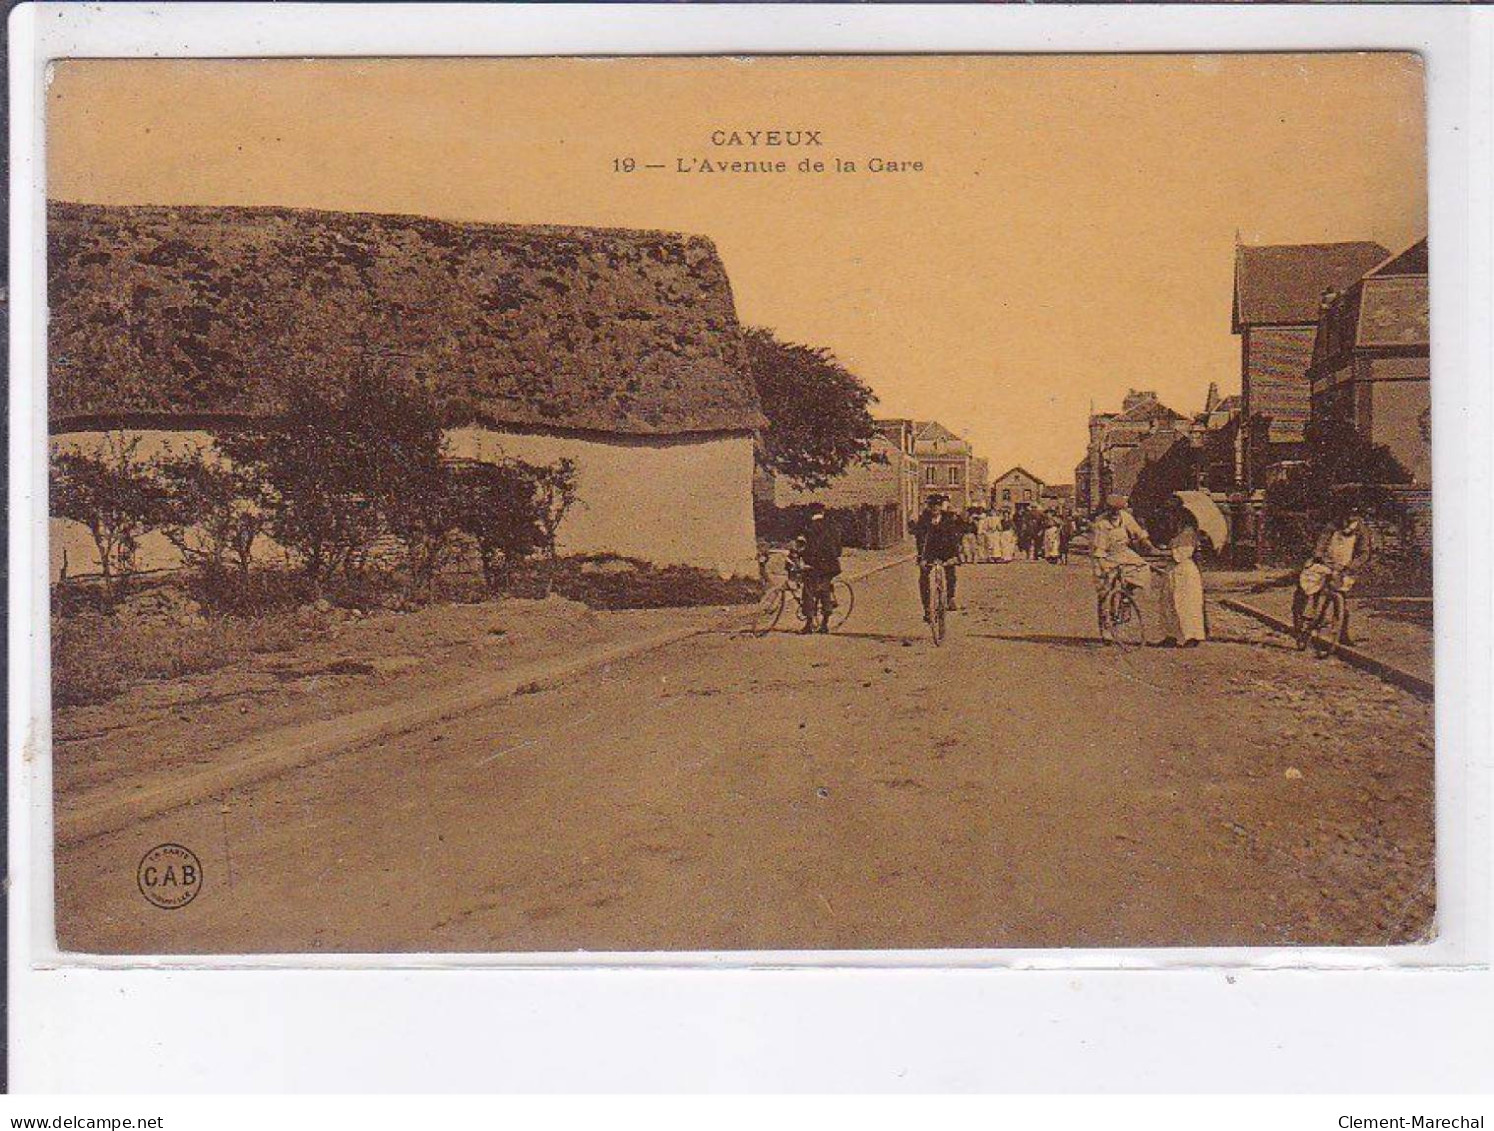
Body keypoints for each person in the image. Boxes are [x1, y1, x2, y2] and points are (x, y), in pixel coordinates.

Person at [1293, 503, 1373, 647]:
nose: (1349, 519)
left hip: (1343, 568)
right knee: (1306, 586)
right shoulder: (1333, 525)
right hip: (1325, 563)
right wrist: (1318, 555)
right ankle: (1299, 625)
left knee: (1341, 598)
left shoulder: (1362, 531)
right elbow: (1323, 541)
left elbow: (1363, 553)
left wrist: (1351, 566)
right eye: (1347, 515)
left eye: (1353, 515)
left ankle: (1342, 634)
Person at [1090, 493, 1159, 616]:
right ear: (1107, 509)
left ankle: (1126, 596)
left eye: (1117, 510)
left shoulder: (1125, 517)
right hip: (1105, 555)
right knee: (1105, 589)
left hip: (1123, 552)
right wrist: (1103, 567)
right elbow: (1099, 549)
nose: (1115, 513)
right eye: (1112, 510)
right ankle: (1105, 620)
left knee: (1142, 568)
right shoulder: (1101, 523)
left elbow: (1138, 532)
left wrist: (1148, 544)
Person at [1157, 499, 1206, 647]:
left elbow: (1181, 554)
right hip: (1173, 570)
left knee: (1186, 604)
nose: (1171, 518)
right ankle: (1171, 635)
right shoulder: (1177, 533)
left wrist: (1162, 552)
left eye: (1174, 514)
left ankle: (1192, 636)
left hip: (1185, 571)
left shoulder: (1188, 532)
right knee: (1169, 602)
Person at [913, 494, 964, 621]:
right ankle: (927, 609)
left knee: (950, 571)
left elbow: (954, 538)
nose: (935, 508)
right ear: (929, 507)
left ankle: (950, 597)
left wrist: (956, 556)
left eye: (937, 506)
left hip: (946, 551)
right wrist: (921, 558)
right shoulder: (923, 520)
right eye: (932, 506)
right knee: (923, 577)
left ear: (941, 507)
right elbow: (920, 539)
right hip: (929, 552)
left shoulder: (948, 519)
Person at [794, 504, 843, 634]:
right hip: (831, 566)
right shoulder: (833, 527)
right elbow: (838, 549)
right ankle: (825, 624)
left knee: (809, 591)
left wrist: (802, 557)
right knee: (824, 590)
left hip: (815, 565)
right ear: (823, 512)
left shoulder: (809, 528)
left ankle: (809, 624)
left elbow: (807, 548)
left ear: (811, 514)